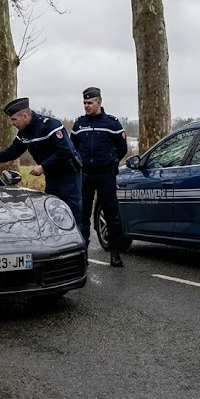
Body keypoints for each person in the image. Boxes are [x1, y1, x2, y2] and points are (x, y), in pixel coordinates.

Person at [0, 98, 84, 234]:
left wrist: (43, 166)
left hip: (69, 176)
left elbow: (65, 150)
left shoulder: (50, 125)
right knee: (54, 214)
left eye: (14, 119)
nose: (12, 123)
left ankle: (79, 249)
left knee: (73, 215)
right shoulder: (24, 133)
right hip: (52, 177)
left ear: (24, 116)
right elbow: (12, 152)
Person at [70, 87, 128, 267]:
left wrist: (111, 161)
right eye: (85, 103)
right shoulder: (79, 124)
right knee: (83, 215)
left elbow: (122, 148)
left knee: (111, 214)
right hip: (86, 175)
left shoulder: (112, 124)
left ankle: (115, 253)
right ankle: (83, 253)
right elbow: (73, 148)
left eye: (90, 103)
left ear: (99, 102)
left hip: (105, 174)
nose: (87, 106)